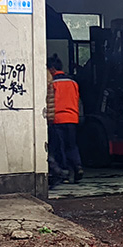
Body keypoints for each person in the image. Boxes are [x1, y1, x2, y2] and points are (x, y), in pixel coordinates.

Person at [47, 55, 83, 184]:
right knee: (72, 146)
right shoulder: (73, 82)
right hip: (72, 118)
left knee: (59, 148)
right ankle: (78, 167)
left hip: (58, 119)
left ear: (52, 69)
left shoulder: (52, 83)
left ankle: (65, 173)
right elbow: (77, 100)